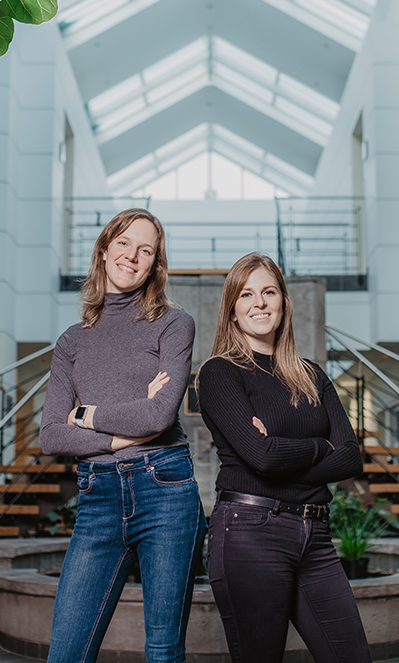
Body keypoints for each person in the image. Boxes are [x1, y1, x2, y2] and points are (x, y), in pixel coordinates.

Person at [39, 208, 204, 663]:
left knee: (163, 652)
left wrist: (87, 415)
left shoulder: (174, 323)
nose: (133, 255)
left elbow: (158, 415)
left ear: (155, 264)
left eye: (146, 249)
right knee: (67, 653)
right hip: (98, 495)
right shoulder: (71, 341)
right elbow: (51, 434)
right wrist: (118, 438)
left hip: (165, 489)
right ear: (105, 248)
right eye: (125, 243)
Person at [198, 253, 370, 663]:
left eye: (269, 292)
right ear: (233, 312)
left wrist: (280, 451)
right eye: (247, 294)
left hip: (316, 535)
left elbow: (351, 459)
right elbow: (262, 457)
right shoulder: (220, 373)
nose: (259, 302)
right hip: (250, 533)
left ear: (283, 303)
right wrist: (318, 446)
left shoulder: (312, 375)